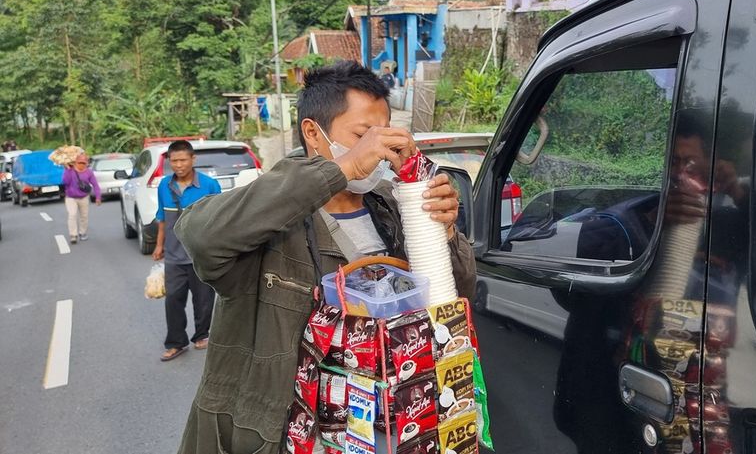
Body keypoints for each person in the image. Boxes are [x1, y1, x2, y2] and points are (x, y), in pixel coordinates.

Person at [173, 60, 475, 453]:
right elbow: (199, 235)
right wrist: (342, 167)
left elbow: (453, 304)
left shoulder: (393, 206)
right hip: (285, 436)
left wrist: (444, 230)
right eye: (364, 136)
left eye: (384, 135)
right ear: (313, 133)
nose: (378, 150)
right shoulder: (270, 213)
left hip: (390, 426)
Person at [153, 140, 222, 362]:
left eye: (183, 160)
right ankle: (175, 342)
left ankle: (202, 335)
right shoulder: (164, 185)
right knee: (173, 299)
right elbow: (162, 218)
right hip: (174, 256)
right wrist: (159, 245)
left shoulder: (210, 186)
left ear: (193, 160)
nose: (178, 165)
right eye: (174, 161)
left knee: (203, 300)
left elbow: (220, 220)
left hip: (201, 255)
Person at [61, 153, 101, 244]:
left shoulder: (89, 172)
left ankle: (82, 233)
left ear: (86, 163)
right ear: (75, 162)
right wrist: (67, 170)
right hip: (71, 198)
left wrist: (98, 197)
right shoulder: (70, 171)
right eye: (80, 163)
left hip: (84, 197)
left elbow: (95, 185)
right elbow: (65, 182)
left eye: (84, 163)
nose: (82, 165)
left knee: (84, 216)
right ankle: (73, 235)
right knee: (72, 215)